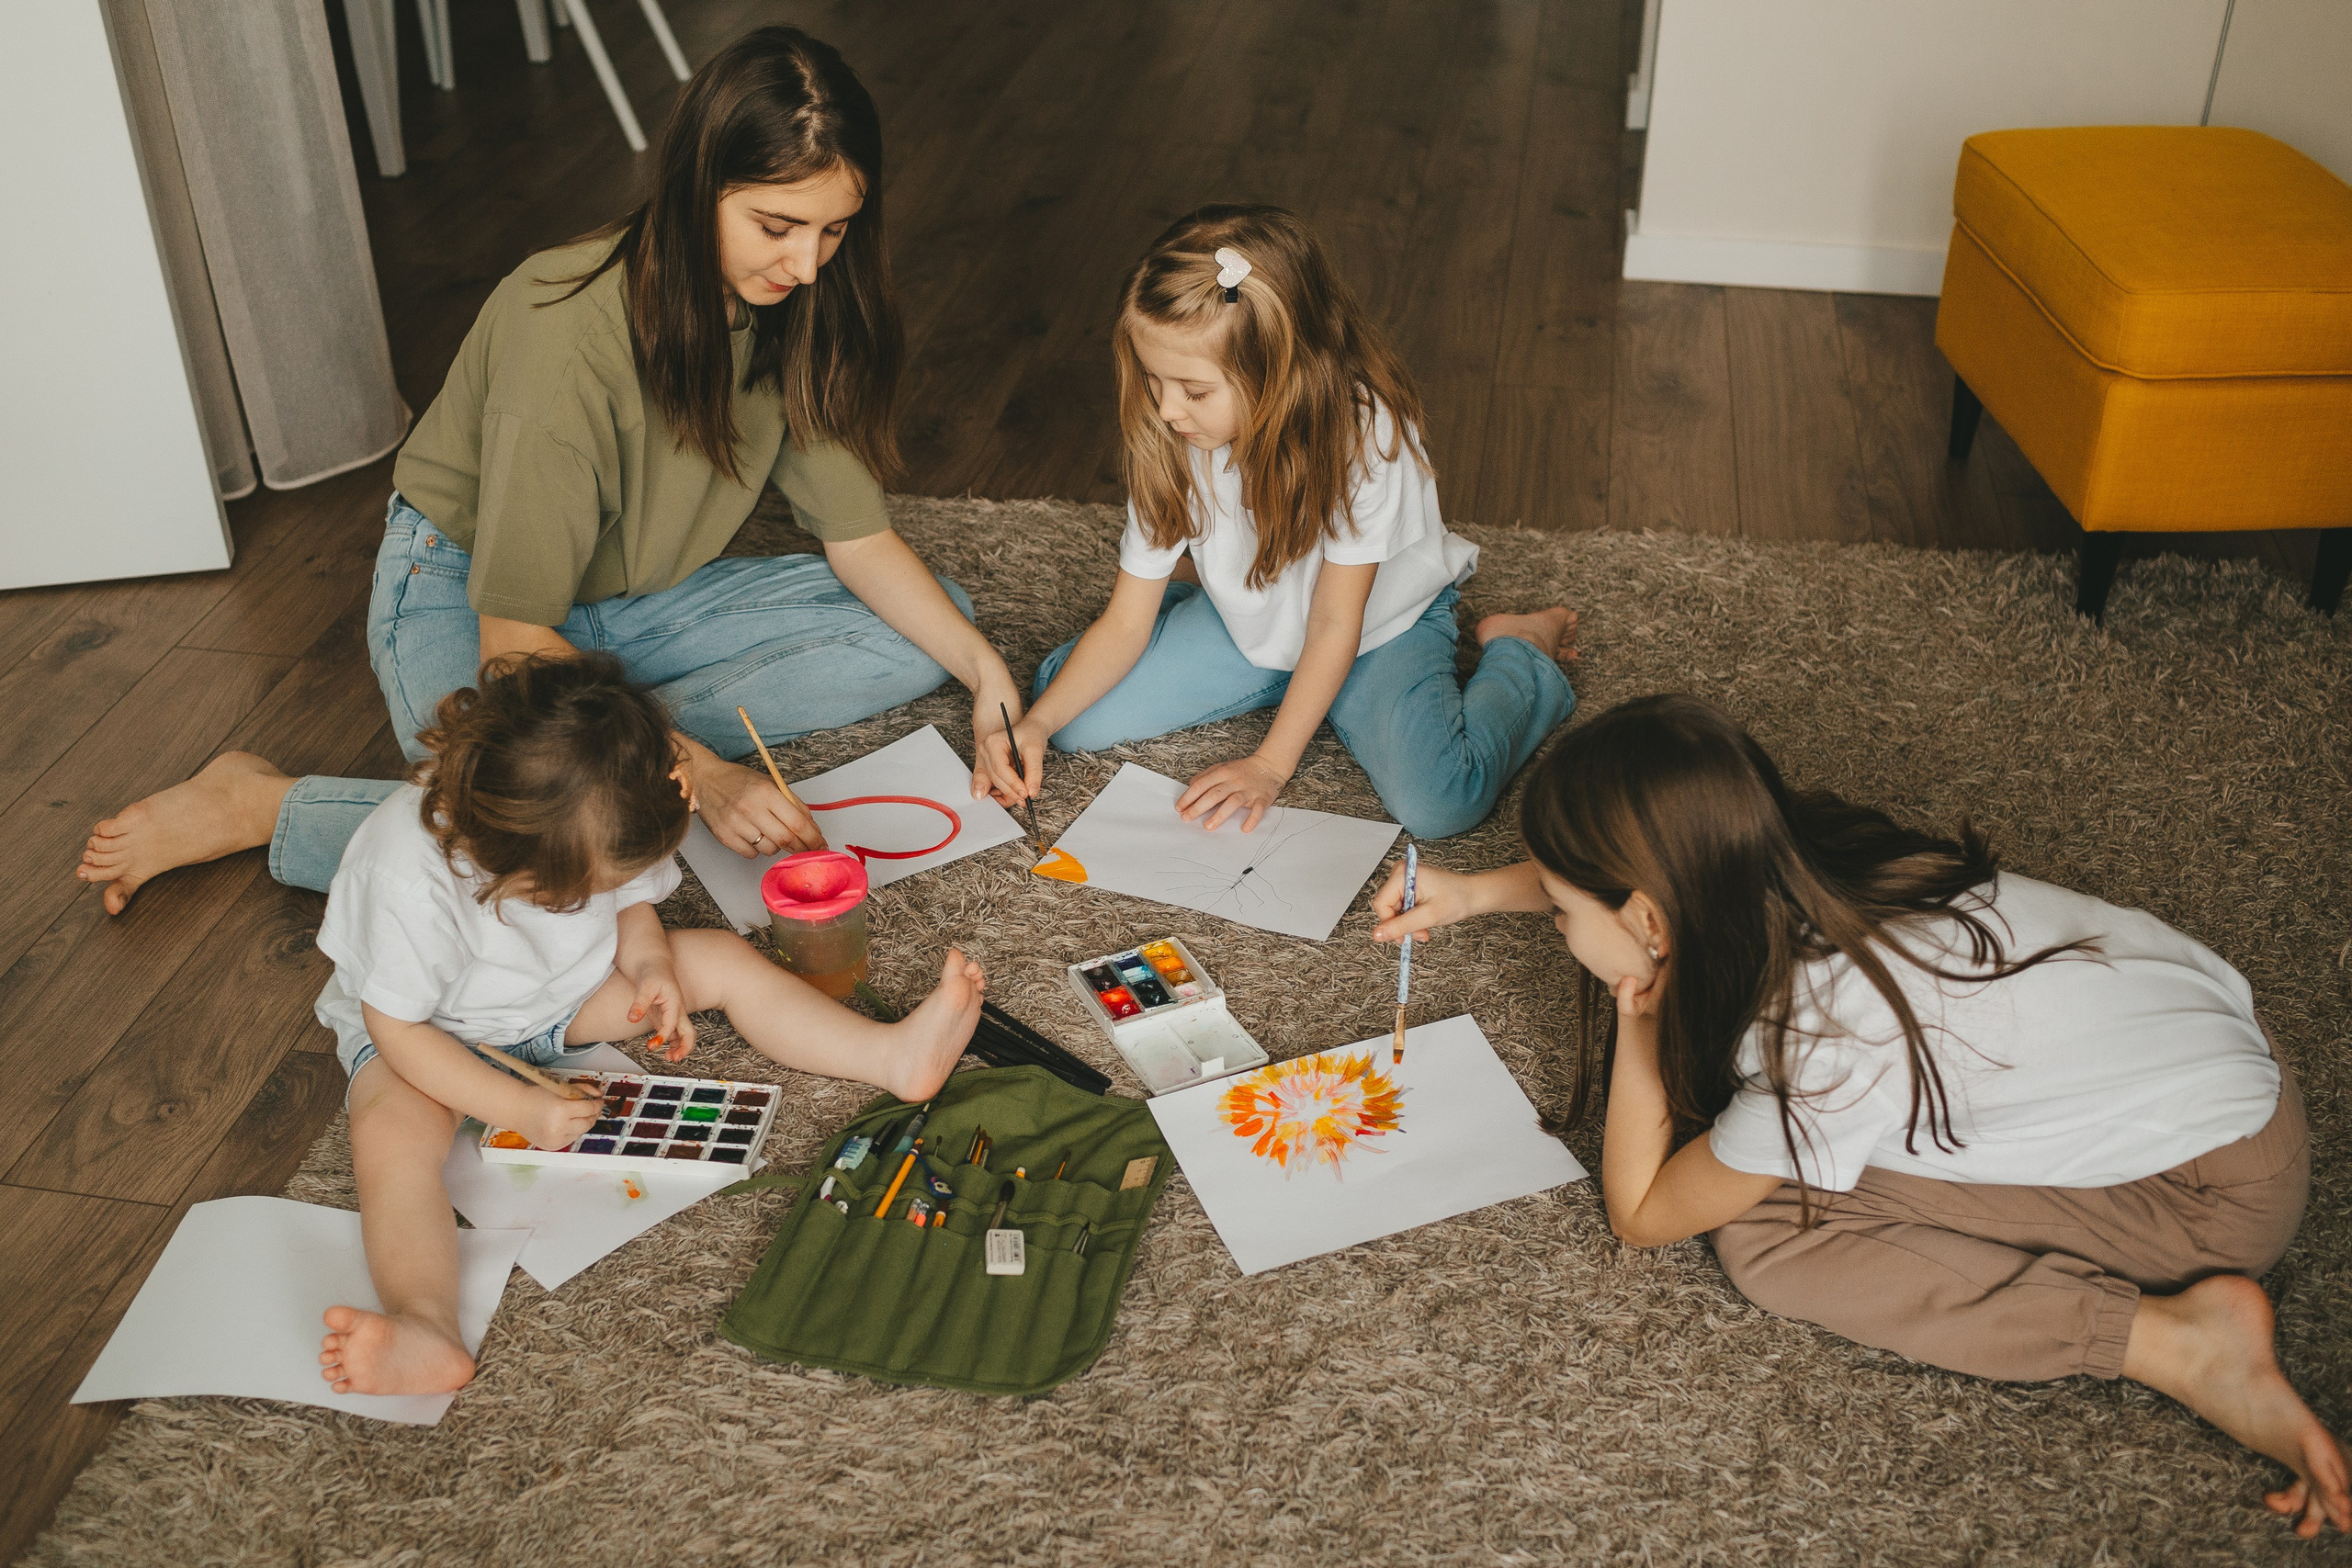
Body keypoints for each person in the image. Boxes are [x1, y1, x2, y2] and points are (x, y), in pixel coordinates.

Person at [79, 25, 1028, 912]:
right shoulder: (564, 331)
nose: (811, 265)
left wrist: (987, 681)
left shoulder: (793, 309)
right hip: (473, 591)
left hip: (625, 599)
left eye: (834, 230)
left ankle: (600, 741)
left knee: (926, 627)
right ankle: (263, 806)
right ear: (699, 185)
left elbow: (858, 540)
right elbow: (513, 635)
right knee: (530, 837)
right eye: (778, 226)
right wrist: (699, 773)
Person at [1372, 693, 2347, 1537]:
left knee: (1764, 1229)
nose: (1550, 919)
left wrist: (1640, 1017)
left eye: (1556, 913)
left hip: (2208, 1197)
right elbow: (1632, 880)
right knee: (1770, 1152)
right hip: (2217, 1059)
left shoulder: (1820, 1038)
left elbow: (1642, 1211)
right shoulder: (1793, 856)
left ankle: (2175, 1341)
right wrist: (1469, 897)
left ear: (1648, 925)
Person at [314, 653, 984, 1397]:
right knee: (391, 1133)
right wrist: (514, 1107)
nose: (610, 890)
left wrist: (652, 963)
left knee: (722, 960)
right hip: (428, 1033)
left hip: (560, 1000)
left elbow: (634, 905)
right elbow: (398, 1028)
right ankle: (425, 1321)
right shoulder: (405, 876)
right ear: (514, 869)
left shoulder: (615, 790)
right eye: (583, 892)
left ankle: (892, 1055)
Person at [980, 205, 1577, 841]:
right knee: (1063, 712)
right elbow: (1125, 622)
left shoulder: (1364, 435)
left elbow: (1332, 624)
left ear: (1279, 371)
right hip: (1254, 621)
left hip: (1372, 628)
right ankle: (1256, 656)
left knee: (1441, 802)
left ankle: (1521, 648)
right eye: (1153, 381)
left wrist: (1270, 761)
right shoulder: (1170, 433)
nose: (1166, 409)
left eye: (1194, 391)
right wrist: (1037, 724)